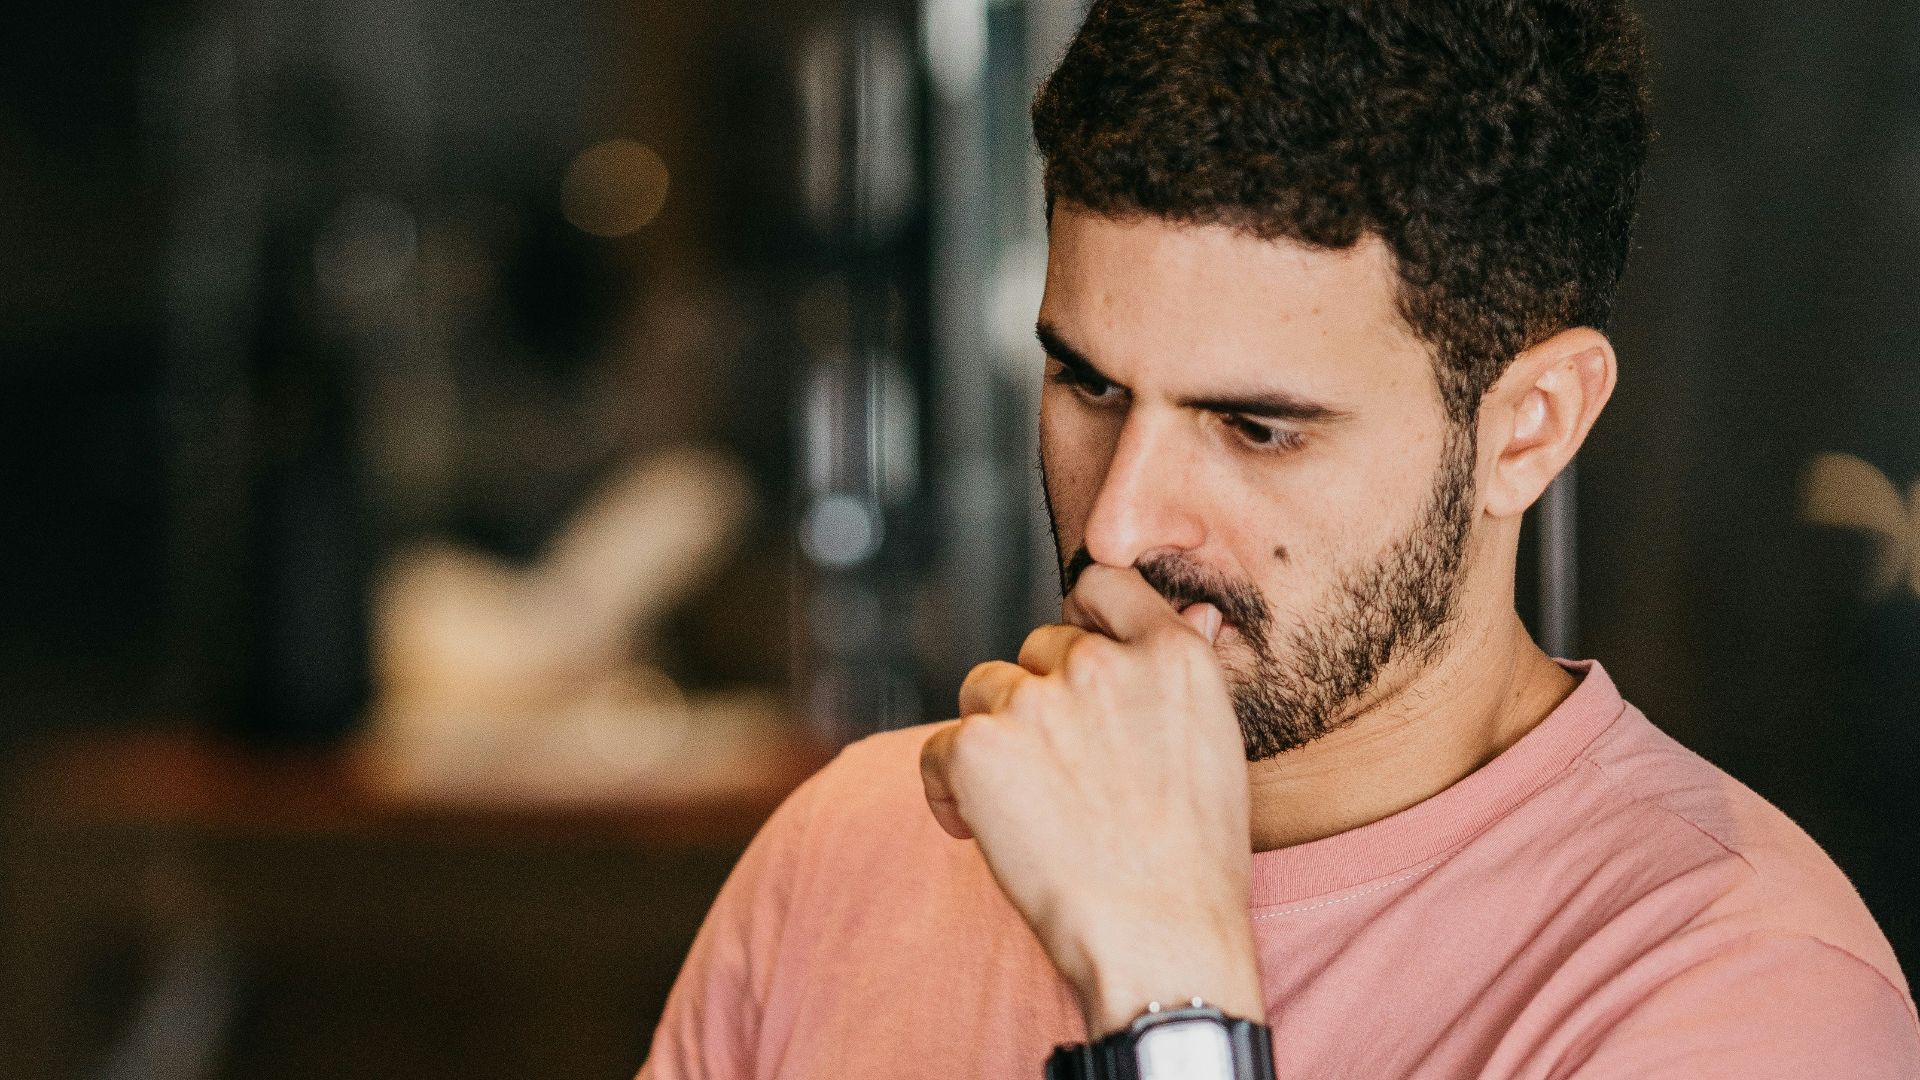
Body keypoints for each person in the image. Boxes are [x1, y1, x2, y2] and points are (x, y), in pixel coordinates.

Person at [640, 0, 1920, 1076]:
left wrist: (1168, 998)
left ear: (1529, 426)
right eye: (1086, 383)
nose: (1120, 523)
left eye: (1256, 427)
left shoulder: (1744, 986)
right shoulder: (850, 851)